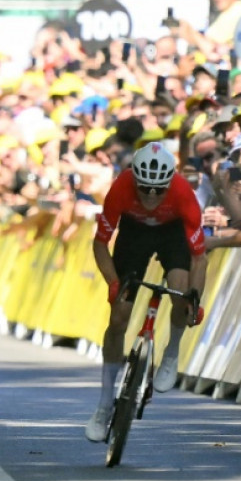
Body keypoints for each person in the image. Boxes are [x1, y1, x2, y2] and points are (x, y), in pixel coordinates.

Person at [86, 143, 207, 442]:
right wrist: (114, 283)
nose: (151, 196)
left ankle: (171, 351)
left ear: (168, 184)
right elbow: (100, 244)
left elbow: (198, 259)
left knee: (180, 291)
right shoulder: (121, 188)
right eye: (145, 189)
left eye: (158, 190)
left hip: (172, 233)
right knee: (119, 318)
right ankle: (103, 404)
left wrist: (194, 299)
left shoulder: (181, 193)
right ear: (135, 181)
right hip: (134, 233)